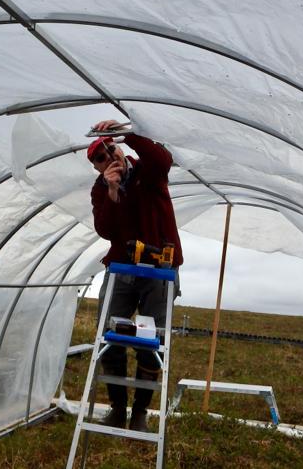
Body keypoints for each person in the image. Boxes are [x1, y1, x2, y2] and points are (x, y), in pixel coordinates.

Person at [87, 119, 183, 432]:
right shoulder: (101, 188)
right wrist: (112, 191)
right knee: (109, 336)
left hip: (160, 271)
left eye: (108, 149)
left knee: (150, 341)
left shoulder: (148, 171)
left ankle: (140, 412)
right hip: (121, 271)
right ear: (97, 167)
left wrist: (127, 136)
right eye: (99, 158)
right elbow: (106, 229)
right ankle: (117, 407)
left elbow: (162, 159)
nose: (107, 158)